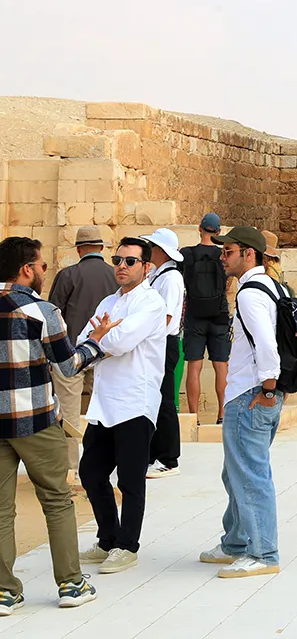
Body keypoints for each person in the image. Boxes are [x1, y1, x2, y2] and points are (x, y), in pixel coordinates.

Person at [0, 237, 108, 612]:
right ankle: (70, 584)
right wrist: (94, 343)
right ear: (27, 269)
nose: (45, 272)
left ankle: (5, 591)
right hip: (36, 422)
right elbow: (66, 366)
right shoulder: (42, 311)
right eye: (43, 265)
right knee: (57, 502)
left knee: (1, 509)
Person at [77, 237, 168, 575]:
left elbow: (120, 341)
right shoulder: (107, 302)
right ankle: (107, 538)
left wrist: (99, 339)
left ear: (146, 267)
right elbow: (80, 344)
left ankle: (127, 545)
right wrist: (100, 339)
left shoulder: (152, 303)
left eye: (130, 261)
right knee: (91, 473)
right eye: (118, 260)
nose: (121, 266)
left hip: (134, 401)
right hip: (104, 404)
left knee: (130, 480)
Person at [199, 226, 283, 578]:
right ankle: (236, 540)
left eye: (228, 251)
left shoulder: (250, 294)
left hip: (251, 393)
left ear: (249, 254)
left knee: (250, 474)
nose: (222, 258)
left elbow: (266, 345)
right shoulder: (271, 287)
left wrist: (266, 389)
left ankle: (263, 553)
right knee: (235, 472)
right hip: (255, 392)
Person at [47, 226, 117, 481]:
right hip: (106, 355)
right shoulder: (115, 276)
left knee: (68, 414)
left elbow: (53, 316)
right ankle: (102, 468)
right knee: (104, 414)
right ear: (101, 248)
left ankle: (70, 471)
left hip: (71, 356)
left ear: (79, 249)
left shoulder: (68, 275)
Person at [142, 228, 185, 479]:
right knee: (155, 399)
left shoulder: (170, 279)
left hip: (163, 342)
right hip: (156, 342)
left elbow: (166, 316)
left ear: (161, 251)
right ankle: (153, 454)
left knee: (165, 400)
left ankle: (169, 459)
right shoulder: (159, 275)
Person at [181, 213, 231, 424]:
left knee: (194, 366)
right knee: (221, 366)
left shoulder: (187, 254)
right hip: (219, 314)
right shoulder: (224, 255)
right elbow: (228, 284)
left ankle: (194, 417)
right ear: (219, 232)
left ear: (199, 229)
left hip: (195, 313)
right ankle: (222, 414)